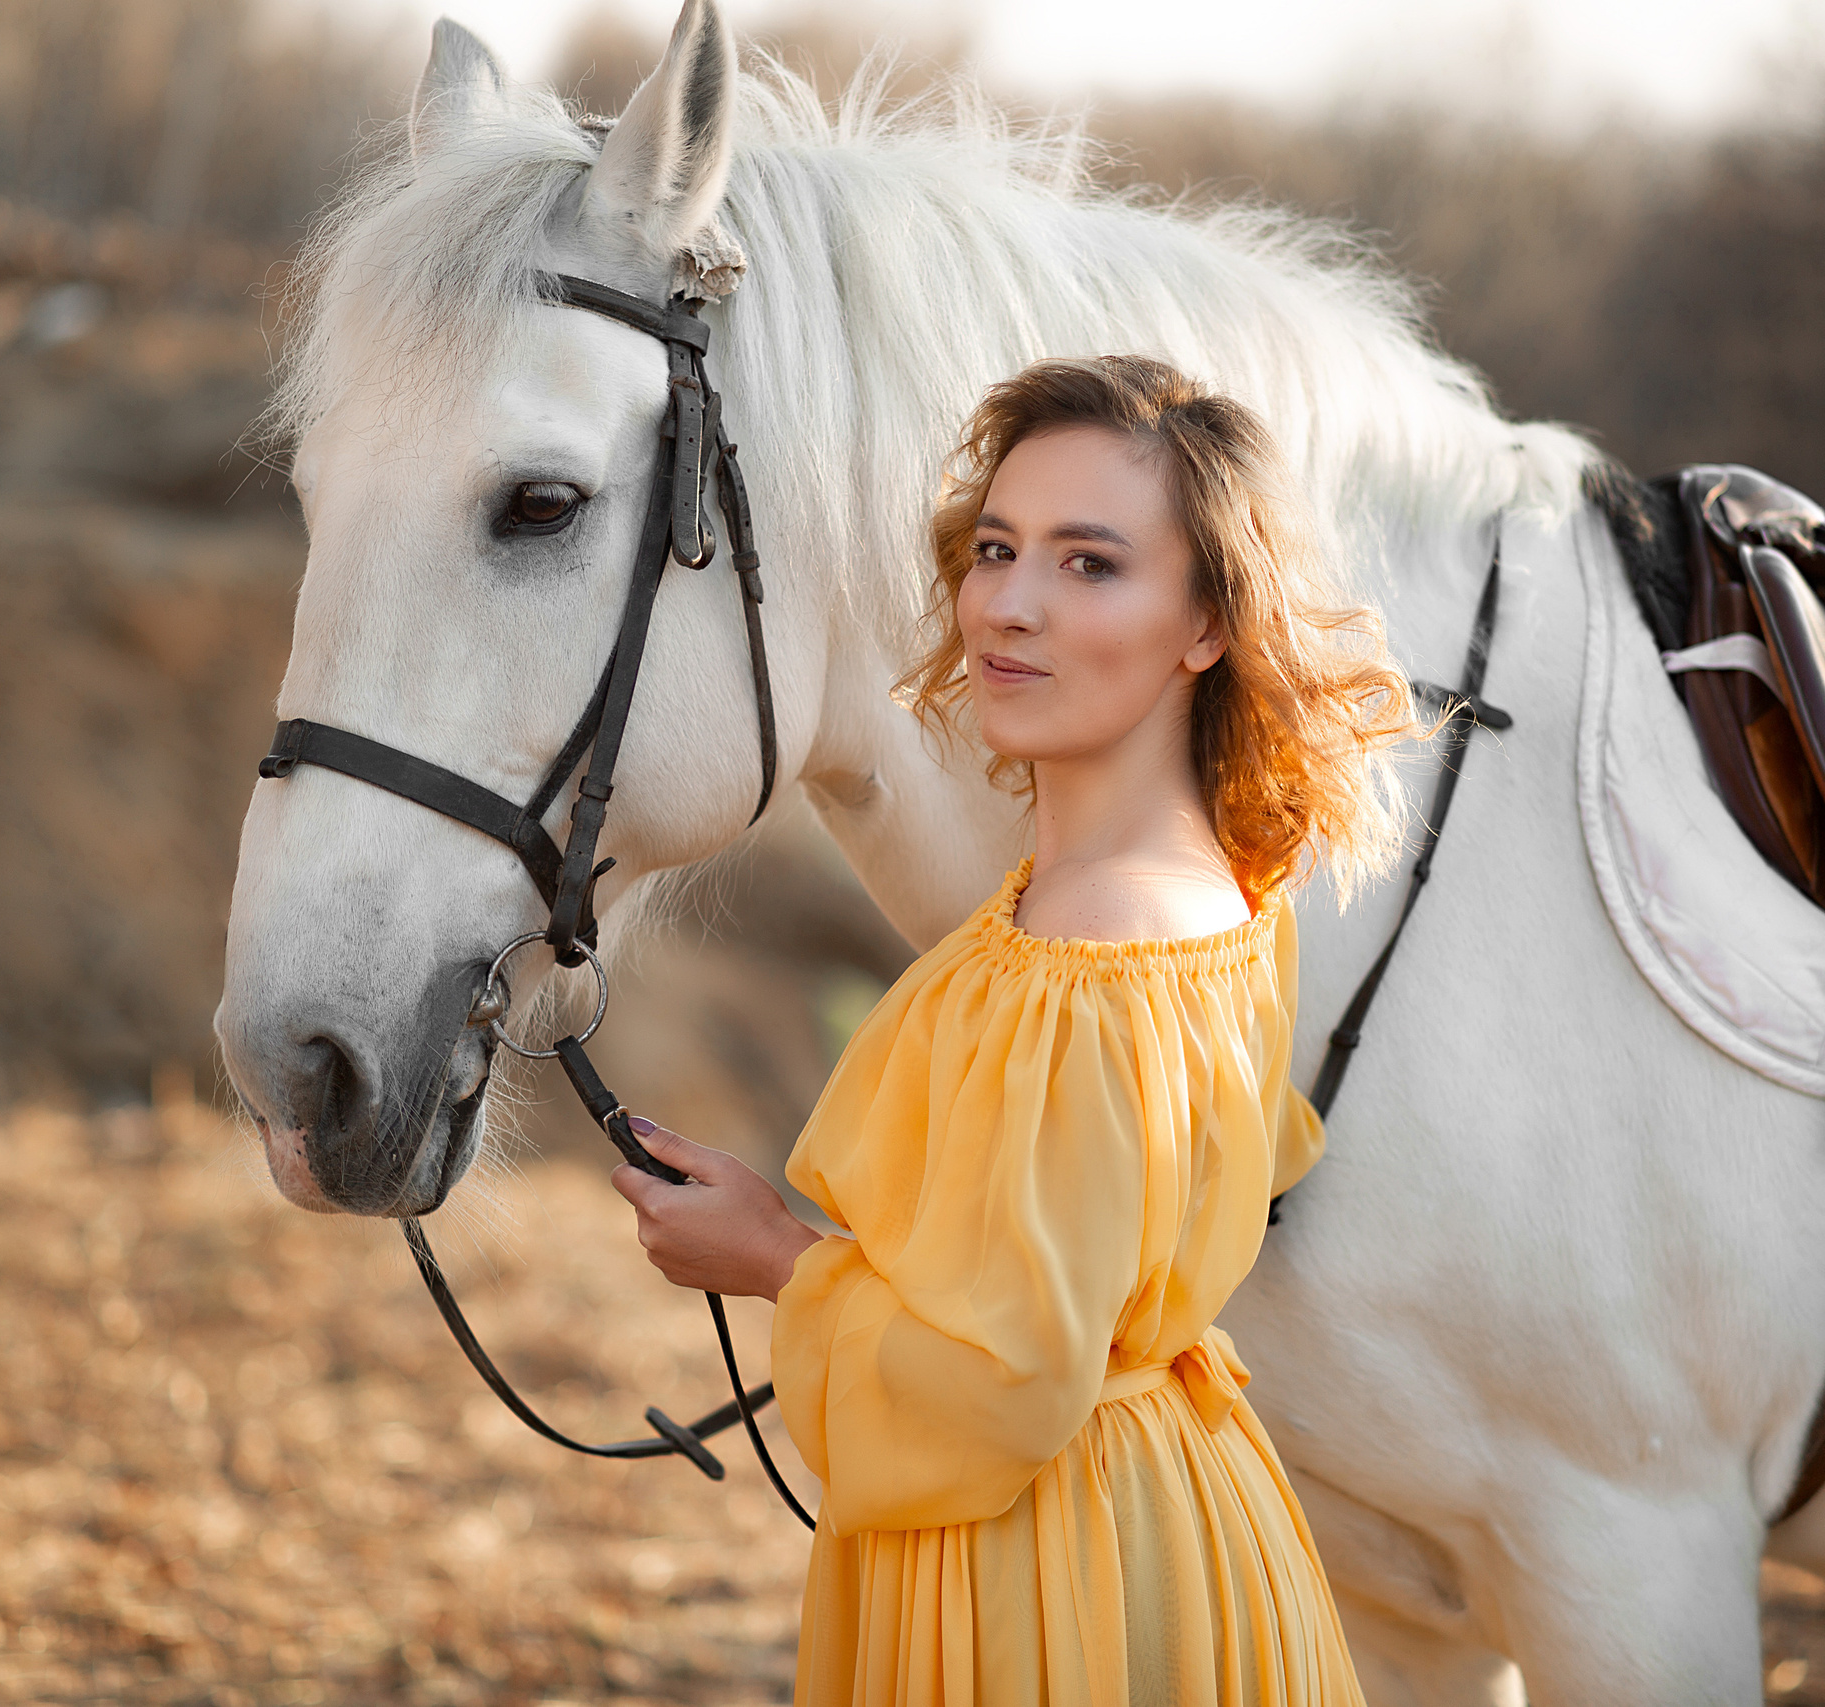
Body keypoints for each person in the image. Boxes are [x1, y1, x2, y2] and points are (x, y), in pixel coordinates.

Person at [610, 354, 1424, 1704]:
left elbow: (998, 1386)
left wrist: (775, 1260)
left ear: (1206, 623)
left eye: (1091, 565)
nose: (1011, 606)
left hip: (1049, 1579)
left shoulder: (1099, 950)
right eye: (997, 550)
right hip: (1161, 1502)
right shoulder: (1217, 879)